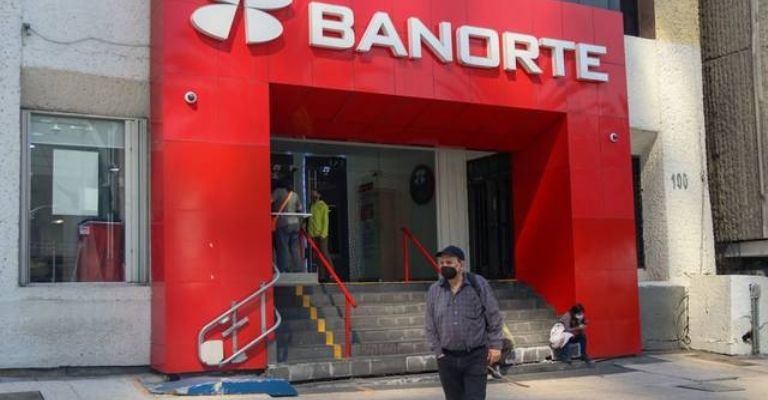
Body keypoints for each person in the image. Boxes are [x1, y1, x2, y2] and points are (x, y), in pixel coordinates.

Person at [425, 245, 504, 400]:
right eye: (441, 263)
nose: (444, 266)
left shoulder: (478, 284)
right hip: (447, 359)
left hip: (475, 357)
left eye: (449, 262)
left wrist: (495, 346)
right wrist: (439, 352)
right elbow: (430, 324)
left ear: (460, 265)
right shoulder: (435, 290)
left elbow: (493, 315)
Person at [271, 181, 303, 272]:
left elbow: (269, 201)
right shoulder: (295, 195)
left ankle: (285, 268)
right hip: (295, 224)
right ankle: (298, 268)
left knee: (283, 246)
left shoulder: (278, 192)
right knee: (295, 247)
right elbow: (300, 208)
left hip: (283, 223)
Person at [307, 190, 332, 269]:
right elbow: (309, 219)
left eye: (315, 195)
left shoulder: (323, 206)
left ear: (319, 195)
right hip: (313, 234)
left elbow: (325, 221)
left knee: (324, 253)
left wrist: (323, 233)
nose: (313, 196)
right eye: (312, 195)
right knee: (317, 256)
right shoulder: (311, 206)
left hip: (321, 234)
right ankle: (321, 274)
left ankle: (331, 272)